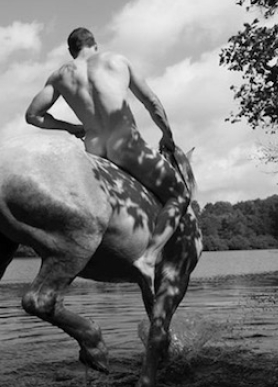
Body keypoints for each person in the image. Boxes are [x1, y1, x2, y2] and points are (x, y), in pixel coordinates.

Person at [25, 27, 191, 263]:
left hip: (93, 150)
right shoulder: (117, 60)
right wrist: (167, 134)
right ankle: (150, 257)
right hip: (125, 144)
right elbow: (152, 102)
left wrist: (71, 127)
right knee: (179, 195)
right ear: (95, 45)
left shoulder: (59, 76)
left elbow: (33, 115)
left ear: (71, 51)